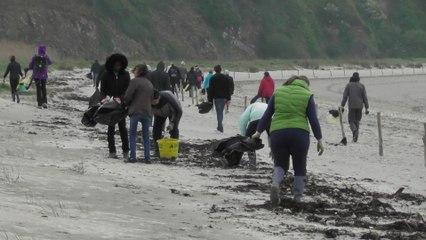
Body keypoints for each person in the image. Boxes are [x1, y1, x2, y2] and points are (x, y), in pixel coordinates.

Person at [253, 76, 324, 205]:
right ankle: (297, 197)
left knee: (280, 164)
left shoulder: (278, 92)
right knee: (300, 166)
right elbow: (313, 120)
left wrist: (257, 133)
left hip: (278, 133)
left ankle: (275, 183)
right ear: (306, 84)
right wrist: (319, 139)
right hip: (300, 134)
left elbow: (267, 115)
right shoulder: (307, 95)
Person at [100, 53, 130, 159]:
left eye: (119, 65)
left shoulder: (126, 74)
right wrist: (104, 99)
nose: (118, 67)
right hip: (109, 105)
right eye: (116, 65)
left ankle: (126, 151)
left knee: (122, 128)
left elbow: (128, 89)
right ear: (112, 65)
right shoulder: (106, 75)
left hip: (121, 106)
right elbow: (102, 90)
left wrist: (121, 99)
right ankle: (112, 151)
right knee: (110, 128)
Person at [123, 64, 154, 163]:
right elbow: (152, 98)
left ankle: (133, 157)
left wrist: (125, 104)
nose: (134, 72)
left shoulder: (134, 82)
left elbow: (127, 96)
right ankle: (147, 158)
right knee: (146, 136)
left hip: (135, 111)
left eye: (135, 70)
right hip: (147, 112)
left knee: (132, 134)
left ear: (139, 71)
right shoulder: (149, 83)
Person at [151, 90, 183, 156]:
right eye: (152, 102)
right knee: (156, 130)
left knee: (173, 129)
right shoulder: (148, 101)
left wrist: (172, 123)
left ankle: (175, 150)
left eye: (155, 101)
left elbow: (178, 111)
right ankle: (158, 149)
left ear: (159, 98)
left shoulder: (168, 99)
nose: (153, 103)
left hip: (173, 112)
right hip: (159, 114)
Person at [341, 72, 369, 143]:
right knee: (357, 121)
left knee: (351, 121)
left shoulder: (349, 85)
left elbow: (345, 97)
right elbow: (365, 97)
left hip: (352, 106)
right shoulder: (362, 86)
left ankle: (354, 131)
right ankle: (355, 138)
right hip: (360, 106)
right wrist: (367, 108)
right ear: (358, 78)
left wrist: (342, 105)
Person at [239, 102, 268, 169]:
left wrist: (244, 138)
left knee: (250, 143)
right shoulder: (265, 105)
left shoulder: (249, 108)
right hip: (270, 117)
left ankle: (252, 165)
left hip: (256, 118)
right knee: (274, 141)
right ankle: (276, 164)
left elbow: (243, 122)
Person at [208, 65, 232, 133]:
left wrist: (210, 100)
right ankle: (219, 127)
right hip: (224, 97)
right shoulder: (225, 77)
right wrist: (228, 98)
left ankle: (220, 127)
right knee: (221, 112)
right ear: (221, 69)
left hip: (217, 97)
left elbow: (211, 90)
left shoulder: (213, 78)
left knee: (219, 112)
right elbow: (228, 89)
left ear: (215, 70)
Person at [28, 44, 52, 109]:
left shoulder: (35, 56)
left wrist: (31, 68)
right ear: (45, 49)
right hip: (44, 75)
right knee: (43, 88)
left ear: (38, 49)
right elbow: (50, 62)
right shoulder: (46, 56)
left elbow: (30, 65)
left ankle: (39, 104)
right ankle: (45, 102)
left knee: (38, 88)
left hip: (36, 75)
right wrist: (45, 57)